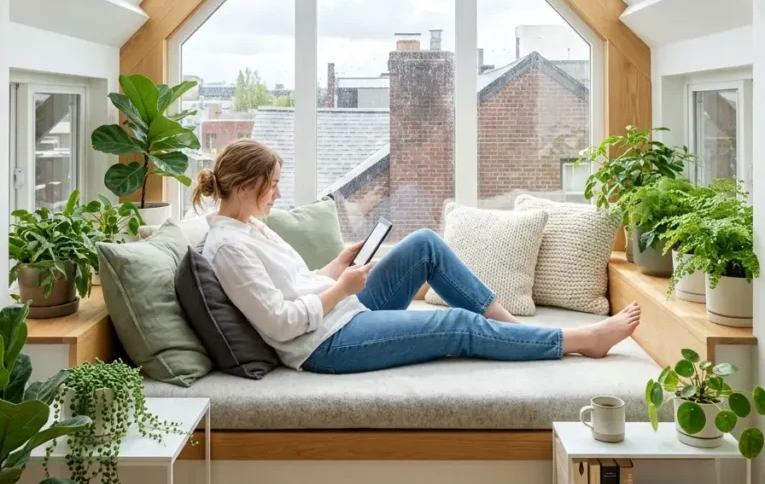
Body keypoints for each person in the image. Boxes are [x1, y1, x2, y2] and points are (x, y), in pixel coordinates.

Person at [193, 139, 640, 375]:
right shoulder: (228, 248)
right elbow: (279, 322)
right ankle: (581, 341)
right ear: (243, 185)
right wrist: (341, 291)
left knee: (425, 244)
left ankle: (512, 332)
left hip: (339, 310)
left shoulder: (249, 226)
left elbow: (294, 282)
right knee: (456, 325)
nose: (275, 193)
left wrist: (337, 267)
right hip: (322, 344)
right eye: (270, 184)